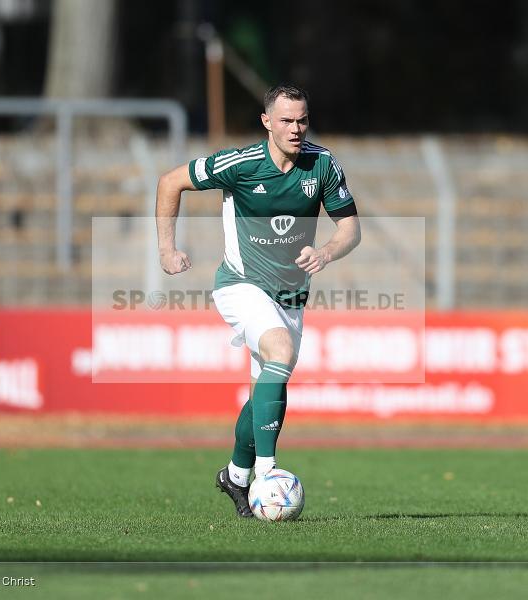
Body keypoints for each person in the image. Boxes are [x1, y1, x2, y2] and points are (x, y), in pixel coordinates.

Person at [155, 84, 360, 517]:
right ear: (267, 122)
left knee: (269, 387)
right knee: (280, 353)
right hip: (241, 285)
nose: (296, 128)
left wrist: (325, 251)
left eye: (302, 119)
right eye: (286, 120)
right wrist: (167, 250)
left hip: (291, 296)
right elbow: (170, 181)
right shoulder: (242, 163)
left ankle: (235, 474)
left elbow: (350, 229)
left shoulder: (322, 165)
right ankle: (268, 473)